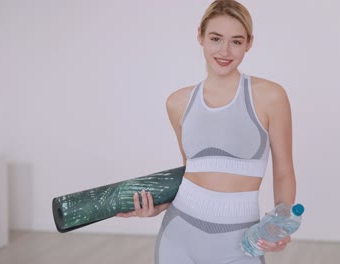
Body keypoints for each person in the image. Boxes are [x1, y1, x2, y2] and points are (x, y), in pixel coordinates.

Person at [117, 0, 296, 263]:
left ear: (249, 43)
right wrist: (159, 204)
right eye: (215, 38)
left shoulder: (270, 97)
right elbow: (191, 170)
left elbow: (284, 171)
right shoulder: (178, 103)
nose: (225, 50)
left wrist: (282, 218)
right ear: (200, 36)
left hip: (241, 242)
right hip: (179, 235)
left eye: (236, 41)